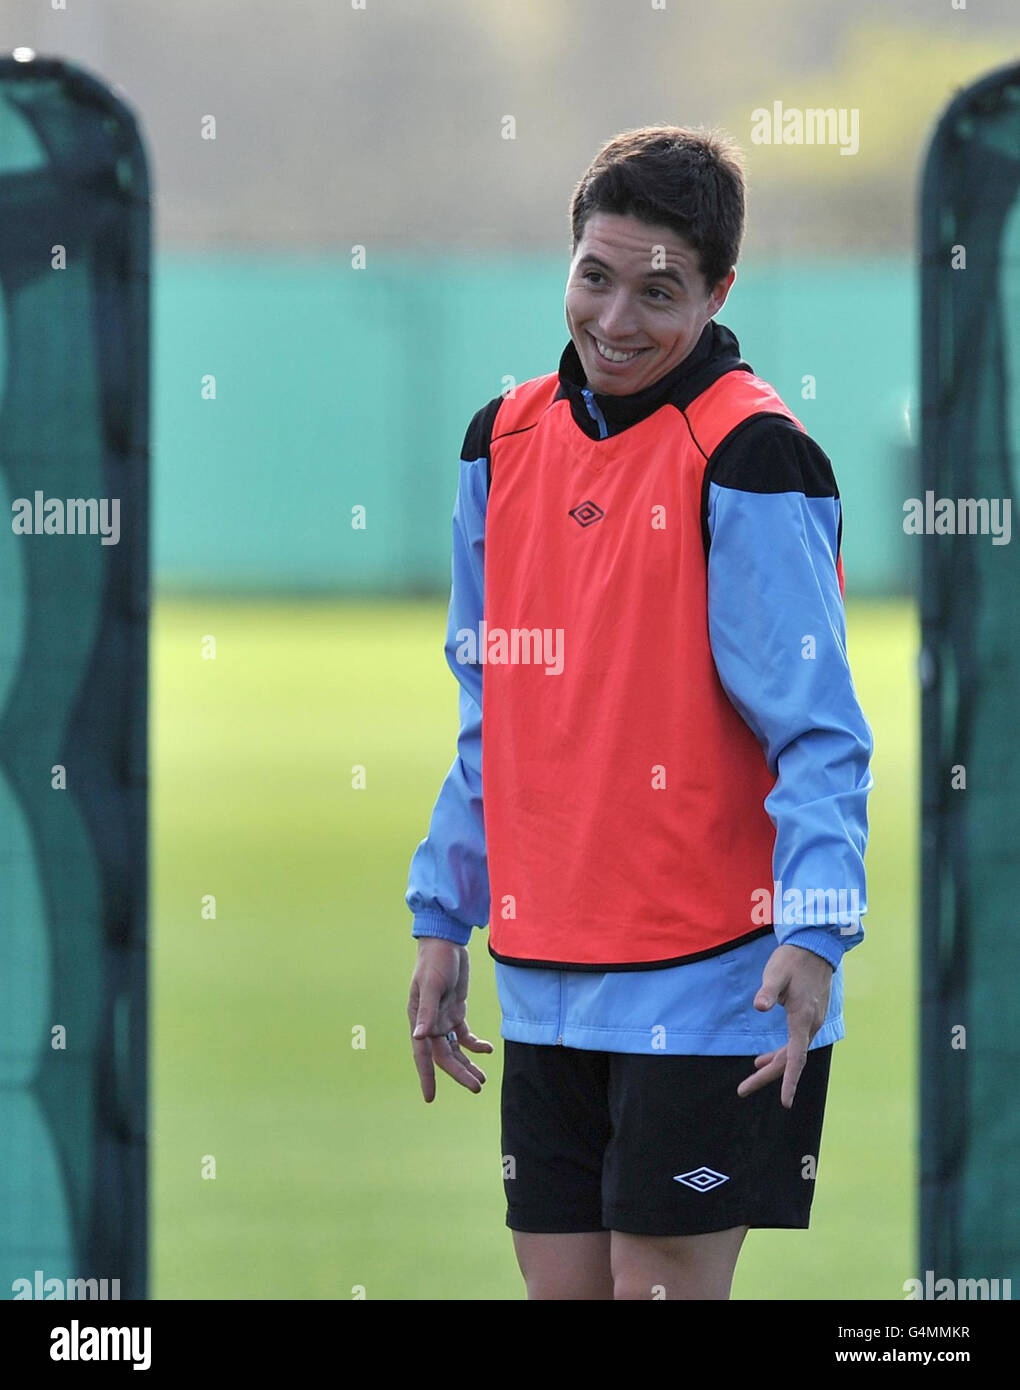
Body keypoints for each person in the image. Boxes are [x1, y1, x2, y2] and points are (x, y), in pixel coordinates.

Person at [405, 124, 873, 1301]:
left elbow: (819, 729)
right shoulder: (500, 444)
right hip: (544, 968)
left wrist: (815, 936)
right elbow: (490, 710)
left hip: (714, 982)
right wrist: (442, 909)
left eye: (659, 291)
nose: (616, 320)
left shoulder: (754, 455)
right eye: (595, 277)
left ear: (718, 291)